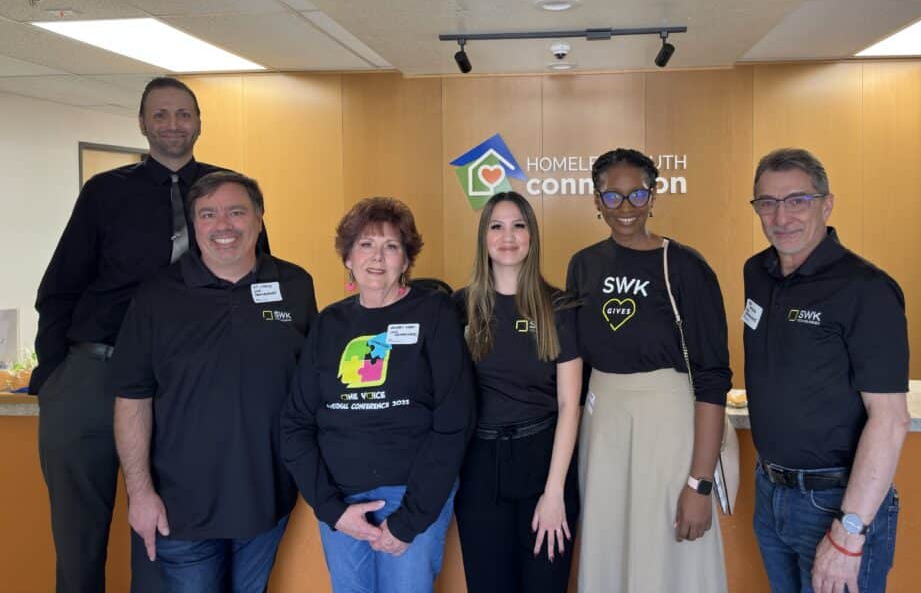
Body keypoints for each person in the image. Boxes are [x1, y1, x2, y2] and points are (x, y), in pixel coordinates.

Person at [31, 76, 268, 593]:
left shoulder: (228, 195)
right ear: (142, 123)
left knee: (167, 530)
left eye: (183, 113)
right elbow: (59, 289)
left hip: (179, 386)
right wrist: (54, 378)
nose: (172, 124)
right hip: (94, 375)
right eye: (159, 114)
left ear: (200, 121)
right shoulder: (104, 193)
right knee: (79, 538)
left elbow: (254, 279)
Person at [111, 171, 315, 592]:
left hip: (267, 502)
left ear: (259, 219)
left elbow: (312, 389)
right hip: (182, 508)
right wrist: (140, 494)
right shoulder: (156, 296)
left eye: (237, 212)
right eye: (208, 214)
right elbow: (132, 399)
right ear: (193, 225)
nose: (223, 226)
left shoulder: (295, 286)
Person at [280, 197, 474, 593]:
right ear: (348, 256)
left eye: (391, 246)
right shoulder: (329, 324)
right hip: (342, 497)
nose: (377, 257)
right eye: (365, 244)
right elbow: (295, 424)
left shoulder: (434, 313)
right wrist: (333, 511)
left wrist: (409, 520)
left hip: (411, 496)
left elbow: (454, 421)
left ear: (406, 260)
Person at [744, 148, 910, 593]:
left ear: (827, 203)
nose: (782, 217)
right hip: (770, 492)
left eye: (797, 200)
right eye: (768, 203)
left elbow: (891, 419)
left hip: (835, 503)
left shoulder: (866, 289)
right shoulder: (756, 273)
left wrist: (849, 531)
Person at [566, 148, 731, 593]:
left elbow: (713, 376)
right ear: (596, 200)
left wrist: (699, 483)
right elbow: (574, 362)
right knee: (609, 547)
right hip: (602, 430)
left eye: (637, 193)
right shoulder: (583, 264)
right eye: (613, 196)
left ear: (653, 196)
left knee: (669, 552)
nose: (626, 208)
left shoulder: (685, 266)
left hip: (669, 427)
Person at [454, 191, 582, 593]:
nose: (508, 236)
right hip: (479, 469)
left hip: (543, 463)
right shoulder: (459, 307)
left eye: (518, 225)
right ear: (483, 237)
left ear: (532, 235)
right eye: (497, 226)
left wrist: (555, 492)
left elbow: (569, 405)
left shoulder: (557, 306)